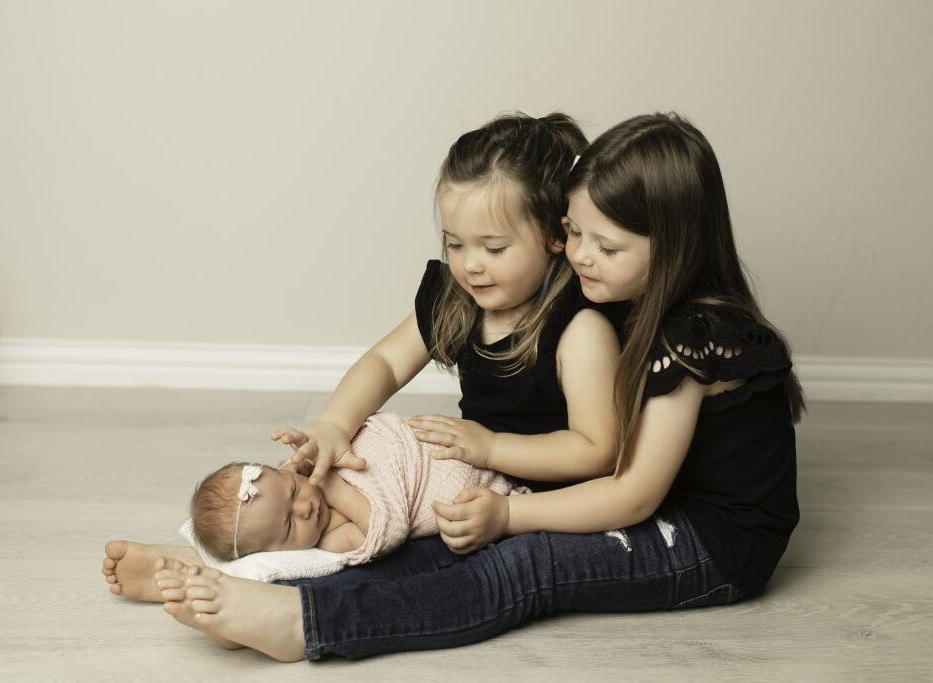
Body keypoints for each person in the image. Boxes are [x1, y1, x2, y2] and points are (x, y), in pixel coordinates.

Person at [150, 111, 804, 662]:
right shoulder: (584, 296)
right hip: (581, 491)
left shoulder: (682, 334)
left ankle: (305, 621)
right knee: (415, 522)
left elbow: (627, 485)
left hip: (706, 538)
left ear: (675, 245)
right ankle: (259, 562)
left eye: (601, 245)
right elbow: (385, 360)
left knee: (518, 568)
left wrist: (509, 506)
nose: (579, 257)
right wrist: (332, 425)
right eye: (576, 234)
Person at [103, 111, 621, 605]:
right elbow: (386, 364)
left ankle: (256, 591)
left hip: (543, 501)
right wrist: (332, 425)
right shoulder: (459, 301)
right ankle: (238, 558)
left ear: (557, 234)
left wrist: (490, 447)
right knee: (321, 503)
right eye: (455, 243)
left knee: (413, 568)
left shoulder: (580, 330)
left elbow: (596, 452)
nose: (469, 266)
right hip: (472, 476)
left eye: (494, 248)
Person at [190, 413, 525, 565]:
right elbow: (389, 527)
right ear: (279, 554)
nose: (305, 507)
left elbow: (331, 444)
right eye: (290, 525)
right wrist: (333, 486)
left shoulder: (306, 472)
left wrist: (308, 448)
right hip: (472, 490)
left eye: (293, 491)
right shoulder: (332, 541)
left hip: (439, 447)